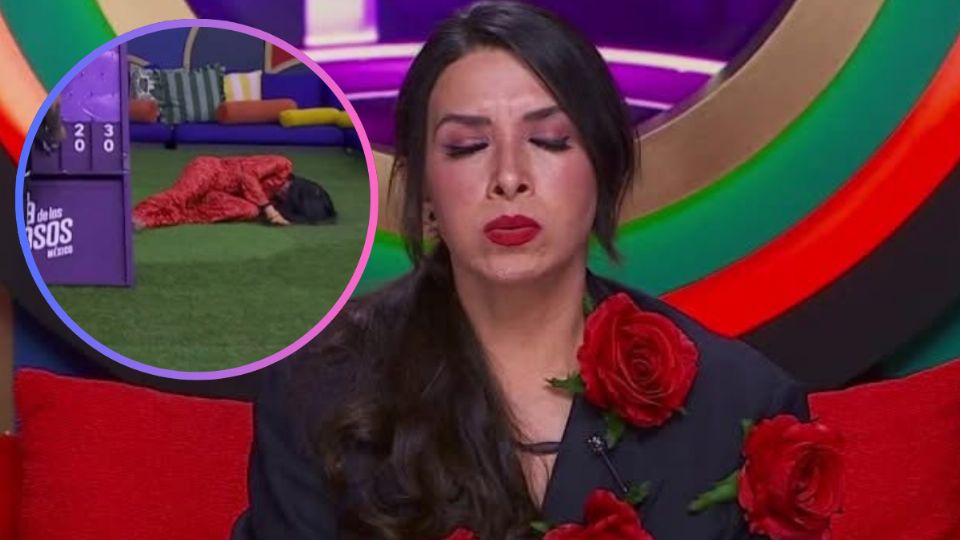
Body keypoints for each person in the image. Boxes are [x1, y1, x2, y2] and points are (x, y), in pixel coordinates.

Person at [232, 2, 808, 539]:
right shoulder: (315, 392)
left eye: (549, 140)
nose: (509, 177)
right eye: (467, 146)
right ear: (425, 188)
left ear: (603, 168)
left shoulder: (741, 404)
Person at [131, 154, 295, 229]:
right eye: (288, 190)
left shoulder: (274, 200)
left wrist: (266, 208)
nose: (283, 195)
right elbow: (247, 174)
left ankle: (148, 220)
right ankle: (135, 215)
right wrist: (268, 208)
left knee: (250, 210)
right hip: (211, 170)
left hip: (218, 194)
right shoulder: (283, 165)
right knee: (182, 196)